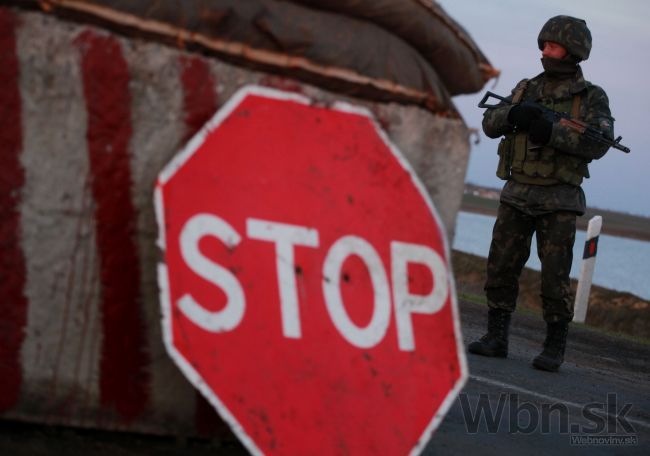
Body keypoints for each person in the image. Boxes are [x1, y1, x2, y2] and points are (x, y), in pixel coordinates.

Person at [468, 15, 615, 372]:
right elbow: (489, 123)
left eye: (552, 45)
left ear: (572, 50)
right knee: (500, 268)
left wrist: (550, 132)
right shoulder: (527, 88)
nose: (544, 51)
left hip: (559, 200)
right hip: (517, 193)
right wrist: (516, 113)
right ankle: (496, 337)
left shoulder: (591, 97)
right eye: (543, 45)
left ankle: (554, 346)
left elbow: (599, 142)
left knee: (554, 277)